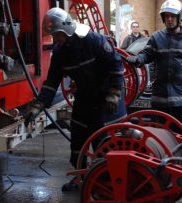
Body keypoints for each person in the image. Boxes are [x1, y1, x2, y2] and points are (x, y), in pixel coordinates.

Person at [26, 7, 127, 191]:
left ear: (66, 29)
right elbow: (52, 80)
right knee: (78, 137)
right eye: (53, 36)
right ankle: (80, 177)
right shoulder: (60, 52)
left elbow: (116, 65)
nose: (55, 40)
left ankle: (106, 180)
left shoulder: (93, 40)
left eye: (57, 35)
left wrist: (114, 93)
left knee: (104, 140)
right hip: (85, 96)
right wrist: (39, 105)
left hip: (107, 98)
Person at [126, 0, 182, 126]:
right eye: (166, 16)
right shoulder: (156, 37)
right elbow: (147, 54)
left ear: (180, 17)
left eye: (172, 16)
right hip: (160, 97)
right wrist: (138, 59)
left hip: (181, 98)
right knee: (160, 134)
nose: (169, 19)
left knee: (180, 135)